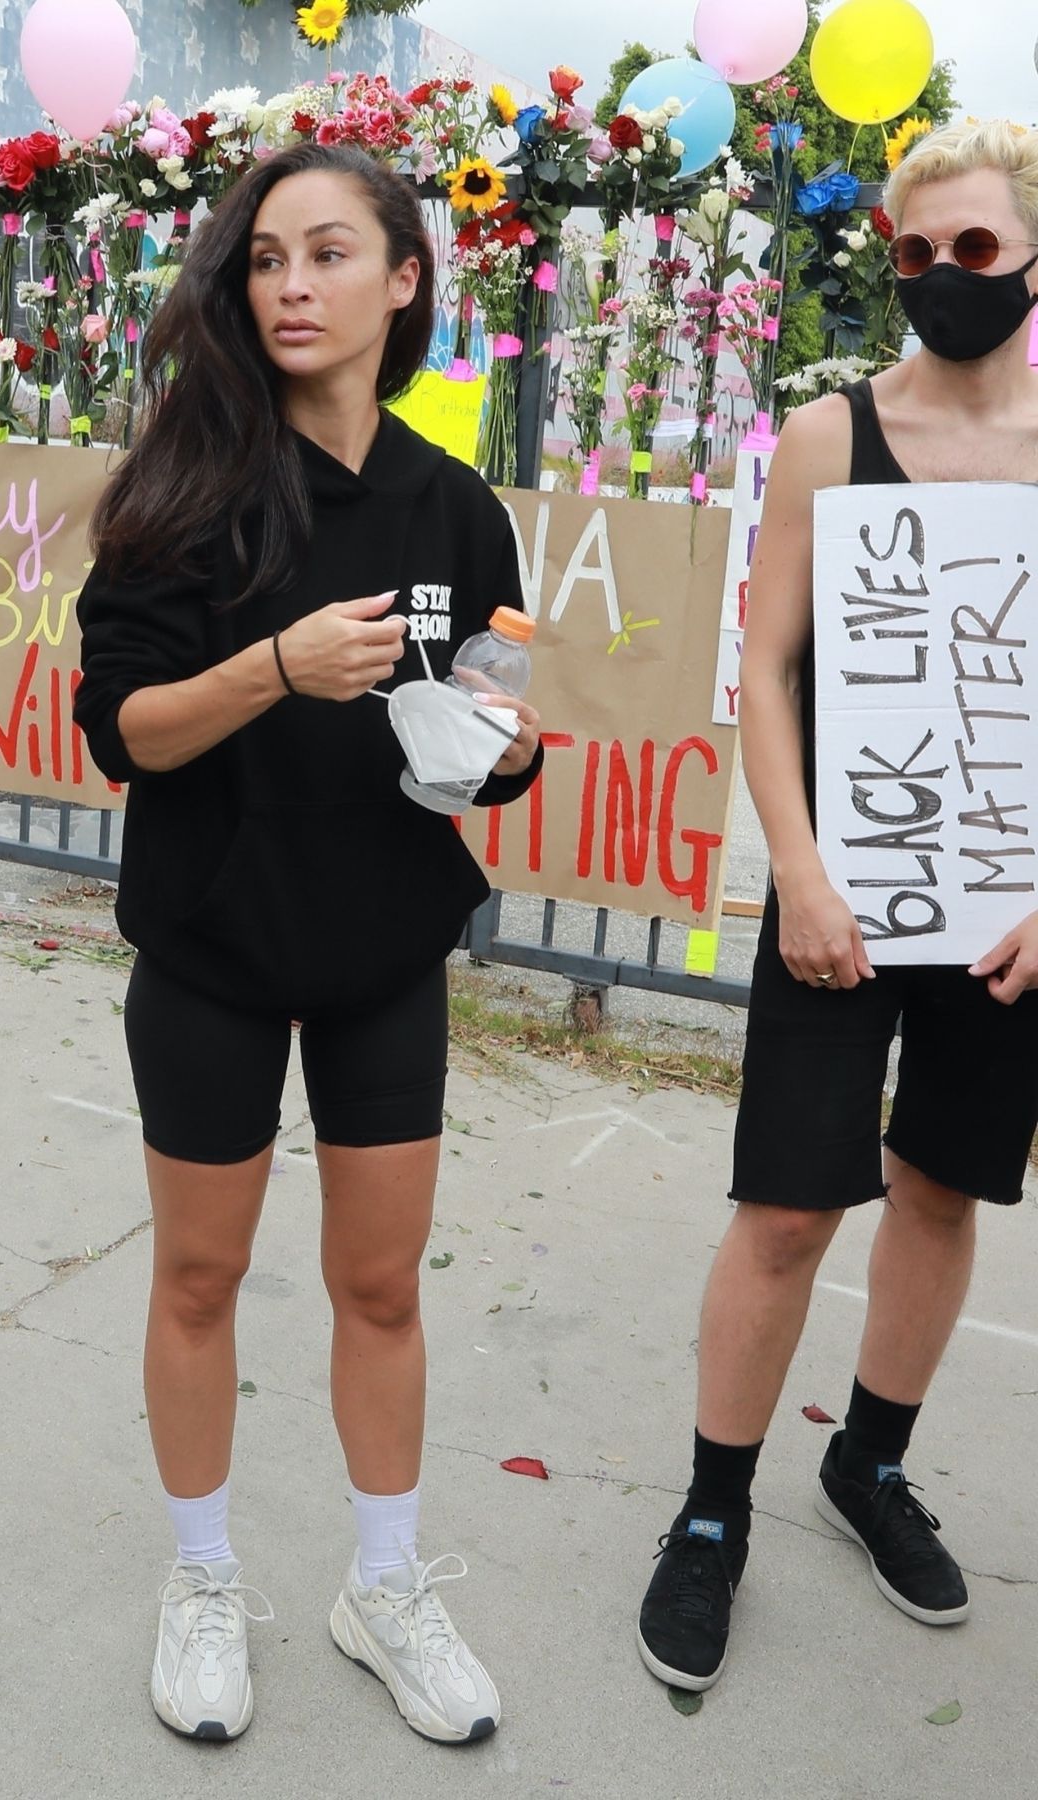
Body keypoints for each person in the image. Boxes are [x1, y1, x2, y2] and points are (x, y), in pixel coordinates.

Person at [72, 141, 542, 1746]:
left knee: (381, 1284)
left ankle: (384, 1582)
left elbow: (491, 693)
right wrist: (273, 665)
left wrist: (502, 744)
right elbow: (124, 733)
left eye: (331, 255)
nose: (291, 286)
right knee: (200, 1274)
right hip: (210, 945)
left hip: (384, 953)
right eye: (267, 258)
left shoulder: (455, 503)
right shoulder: (182, 490)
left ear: (404, 282)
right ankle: (203, 1578)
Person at [637, 117, 1038, 1692]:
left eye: (976, 248)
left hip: (1003, 908)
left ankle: (868, 1466)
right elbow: (768, 667)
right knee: (792, 1207)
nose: (943, 275)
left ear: (1028, 255)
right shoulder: (829, 434)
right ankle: (712, 1512)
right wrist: (796, 867)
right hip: (843, 892)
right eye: (915, 251)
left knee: (942, 1191)